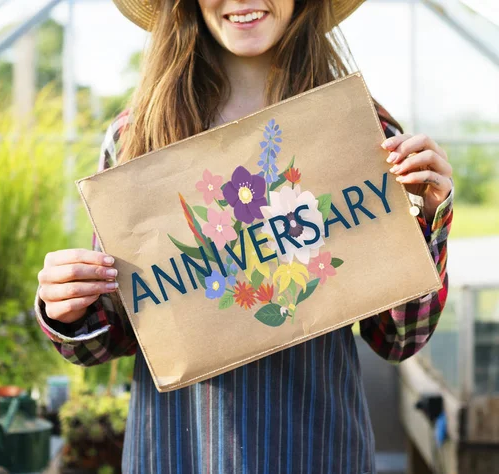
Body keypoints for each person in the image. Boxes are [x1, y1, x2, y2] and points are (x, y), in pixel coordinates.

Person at [35, 1, 454, 472]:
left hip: (317, 450)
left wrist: (428, 218)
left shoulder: (363, 131)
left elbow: (397, 339)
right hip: (181, 451)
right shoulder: (137, 137)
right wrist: (68, 307)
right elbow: (113, 337)